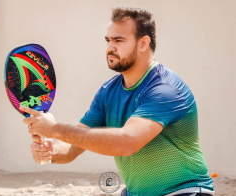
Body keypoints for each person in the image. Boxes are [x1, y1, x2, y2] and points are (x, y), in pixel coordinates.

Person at [20, 6, 215, 196]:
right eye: (108, 40)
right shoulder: (108, 92)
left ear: (143, 43)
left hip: (184, 191)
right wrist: (50, 151)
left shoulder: (166, 90)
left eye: (118, 40)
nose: (110, 47)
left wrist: (55, 129)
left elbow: (127, 143)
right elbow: (73, 148)